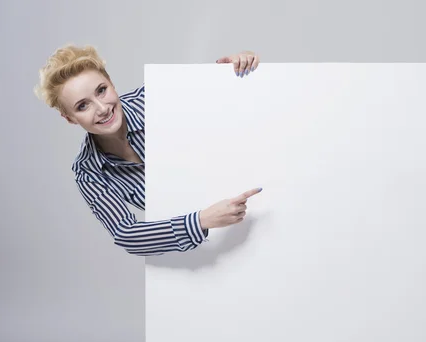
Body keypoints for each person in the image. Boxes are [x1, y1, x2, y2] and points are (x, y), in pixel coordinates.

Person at [34, 44, 262, 256]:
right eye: (82, 106)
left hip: (258, 211)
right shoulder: (88, 172)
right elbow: (126, 234)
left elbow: (220, 99)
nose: (102, 109)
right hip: (200, 258)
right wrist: (202, 220)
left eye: (101, 90)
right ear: (70, 119)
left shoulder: (155, 97)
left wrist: (234, 71)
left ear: (111, 83)